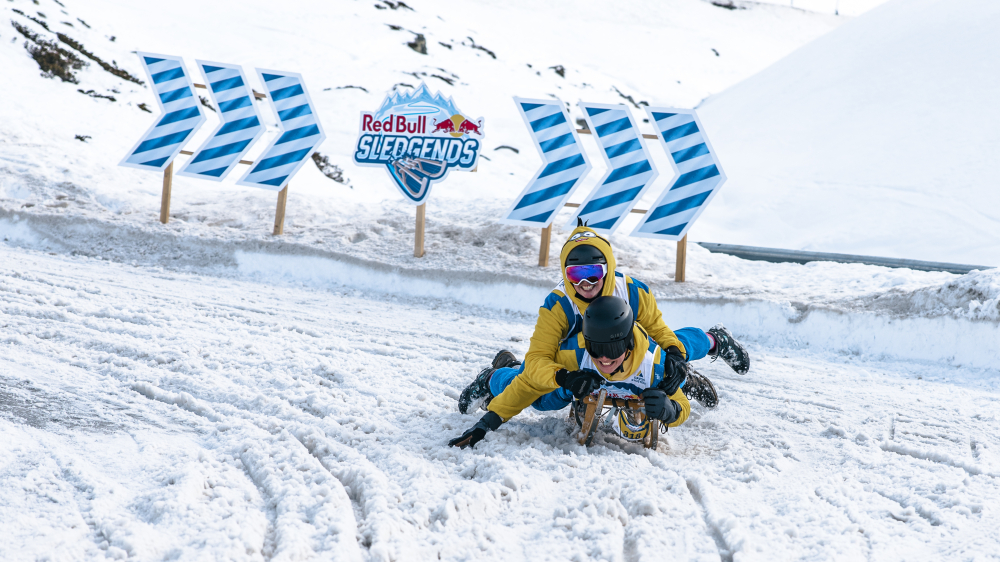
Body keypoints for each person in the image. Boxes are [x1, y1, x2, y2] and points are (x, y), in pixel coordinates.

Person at [456, 224, 749, 422]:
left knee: (673, 350)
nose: (585, 283)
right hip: (579, 352)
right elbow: (538, 361)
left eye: (593, 273)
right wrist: (564, 378)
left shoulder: (634, 291)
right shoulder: (557, 305)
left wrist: (674, 357)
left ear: (607, 268)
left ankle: (712, 344)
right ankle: (494, 378)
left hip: (626, 343)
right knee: (543, 395)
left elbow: (659, 331)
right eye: (575, 275)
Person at [449, 296, 690, 448]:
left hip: (611, 387)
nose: (604, 358)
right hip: (572, 381)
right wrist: (487, 422)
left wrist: (672, 410)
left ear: (628, 344)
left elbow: (681, 405)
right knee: (543, 400)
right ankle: (493, 376)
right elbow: (528, 383)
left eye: (613, 349)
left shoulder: (655, 366)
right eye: (596, 349)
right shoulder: (575, 355)